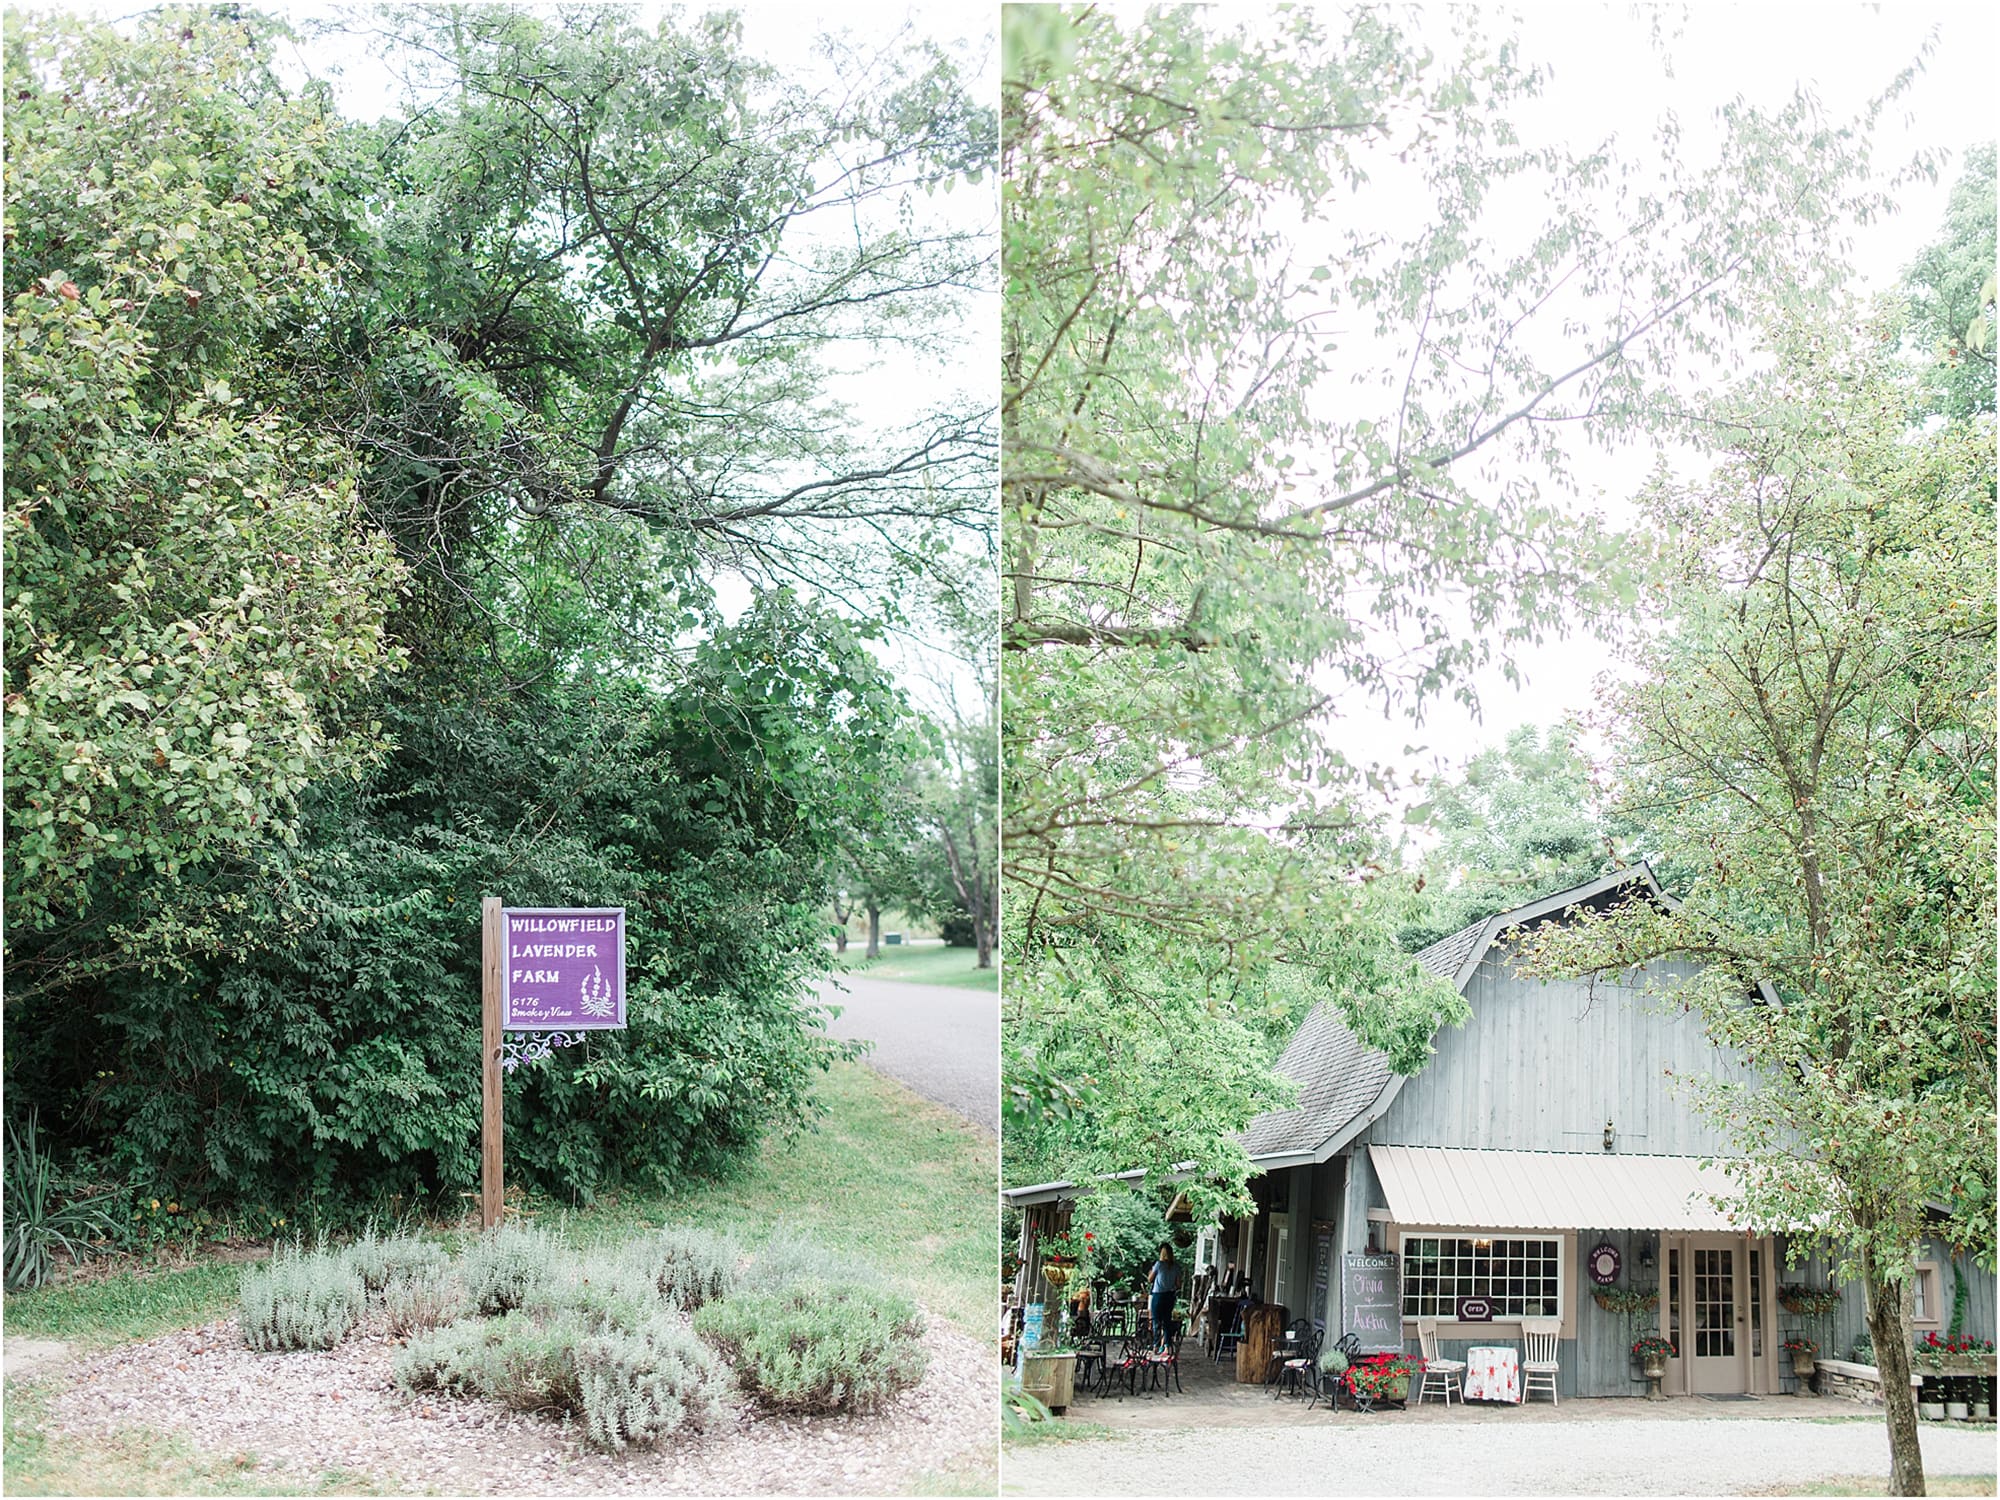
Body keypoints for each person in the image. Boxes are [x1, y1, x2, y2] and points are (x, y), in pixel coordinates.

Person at [1148, 1243, 1181, 1349]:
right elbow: (1179, 1284)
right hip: (1170, 1296)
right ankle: (1167, 1346)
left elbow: (1150, 1279)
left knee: (1156, 1320)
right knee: (1167, 1321)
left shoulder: (1159, 1264)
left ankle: (1156, 1345)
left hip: (1158, 1295)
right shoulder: (1176, 1267)